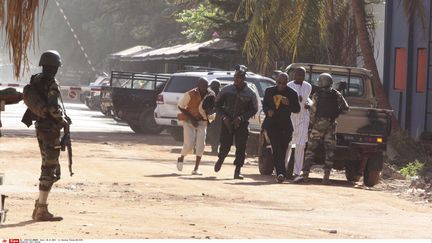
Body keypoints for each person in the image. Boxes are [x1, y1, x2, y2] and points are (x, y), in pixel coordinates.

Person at [22, 50, 69, 221]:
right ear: (56, 66)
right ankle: (41, 209)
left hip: (40, 128)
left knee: (47, 165)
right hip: (50, 130)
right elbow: (53, 108)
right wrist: (63, 121)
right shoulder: (51, 83)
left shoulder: (36, 79)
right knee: (50, 168)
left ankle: (39, 206)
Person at [300, 73, 349, 184]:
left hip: (318, 126)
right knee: (330, 153)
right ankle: (326, 178)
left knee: (310, 151)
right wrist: (336, 114)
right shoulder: (336, 94)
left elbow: (313, 111)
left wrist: (313, 123)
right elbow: (346, 108)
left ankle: (305, 175)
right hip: (331, 126)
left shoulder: (317, 95)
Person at [214, 65, 258, 179]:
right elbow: (217, 104)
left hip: (242, 124)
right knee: (225, 144)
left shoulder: (250, 93)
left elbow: (254, 109)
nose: (237, 79)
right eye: (236, 77)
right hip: (227, 121)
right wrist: (224, 117)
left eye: (240, 77)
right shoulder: (226, 89)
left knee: (241, 147)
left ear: (244, 78)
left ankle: (237, 170)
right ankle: (220, 160)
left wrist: (242, 118)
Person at [262, 73, 300, 183]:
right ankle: (281, 173)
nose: (281, 85)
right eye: (279, 83)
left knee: (283, 150)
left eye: (284, 83)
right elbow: (264, 105)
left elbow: (297, 109)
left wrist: (288, 104)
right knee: (276, 147)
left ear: (287, 83)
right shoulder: (269, 91)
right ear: (276, 81)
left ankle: (280, 171)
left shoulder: (292, 93)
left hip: (285, 125)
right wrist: (267, 111)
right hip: (272, 124)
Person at [177, 77, 215, 175]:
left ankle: (196, 169)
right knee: (189, 144)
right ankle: (181, 157)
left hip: (202, 122)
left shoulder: (210, 94)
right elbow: (181, 106)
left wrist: (210, 114)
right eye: (202, 86)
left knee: (201, 145)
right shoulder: (190, 94)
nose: (204, 88)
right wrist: (192, 119)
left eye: (206, 86)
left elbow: (212, 107)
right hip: (189, 121)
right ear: (198, 85)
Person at [286, 67, 312, 182]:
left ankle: (297, 173)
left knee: (300, 146)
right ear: (294, 75)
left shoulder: (308, 86)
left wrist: (309, 103)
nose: (300, 77)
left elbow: (308, 99)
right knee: (288, 145)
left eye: (302, 75)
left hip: (303, 118)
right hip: (291, 117)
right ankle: (283, 170)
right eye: (298, 74)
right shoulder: (289, 86)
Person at [206, 79, 222, 154]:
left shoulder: (220, 94)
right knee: (214, 132)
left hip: (217, 116)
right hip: (212, 116)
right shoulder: (210, 94)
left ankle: (214, 148)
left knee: (214, 132)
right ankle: (214, 148)